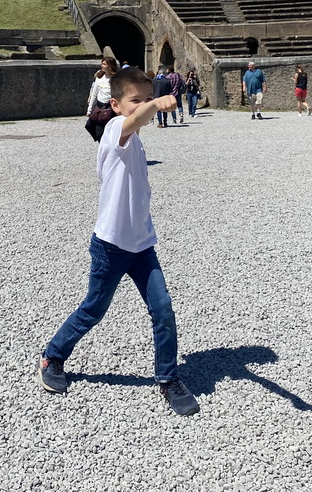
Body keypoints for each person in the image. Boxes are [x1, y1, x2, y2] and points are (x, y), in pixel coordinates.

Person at [38, 67, 200, 416]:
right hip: (111, 246)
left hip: (142, 246)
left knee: (163, 310)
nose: (141, 106)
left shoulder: (136, 138)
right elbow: (137, 118)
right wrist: (155, 102)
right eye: (134, 100)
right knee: (93, 310)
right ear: (115, 104)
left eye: (145, 98)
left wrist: (149, 103)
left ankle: (168, 378)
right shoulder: (115, 130)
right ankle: (52, 356)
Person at [85, 57, 118, 142]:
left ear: (110, 66)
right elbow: (94, 94)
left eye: (104, 64)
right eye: (102, 63)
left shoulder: (116, 78)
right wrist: (89, 110)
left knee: (110, 133)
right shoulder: (99, 77)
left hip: (111, 108)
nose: (102, 66)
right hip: (99, 107)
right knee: (98, 133)